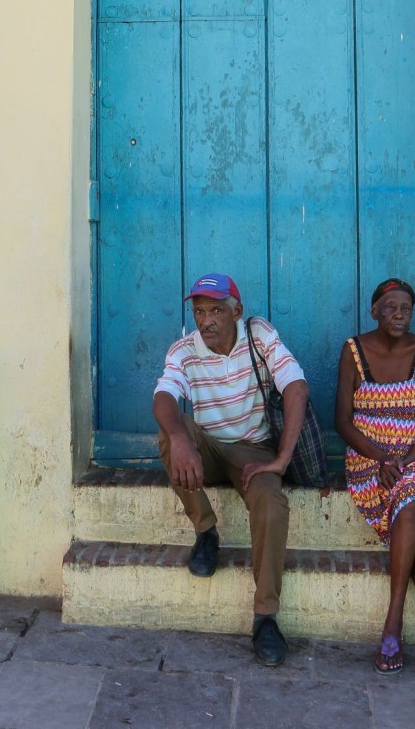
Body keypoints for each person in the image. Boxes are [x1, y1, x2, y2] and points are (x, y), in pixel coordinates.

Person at [153, 273, 309, 667]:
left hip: (253, 453)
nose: (206, 321)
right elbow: (165, 395)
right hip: (207, 448)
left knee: (271, 503)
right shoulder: (184, 350)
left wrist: (281, 460)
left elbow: (296, 386)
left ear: (236, 311)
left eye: (216, 311)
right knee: (170, 433)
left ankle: (266, 618)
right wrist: (181, 437)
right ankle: (206, 531)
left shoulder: (259, 335)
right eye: (199, 311)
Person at [335, 277, 415, 684]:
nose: (399, 314)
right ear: (375, 312)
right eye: (390, 307)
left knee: (410, 504)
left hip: (414, 457)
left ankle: (393, 627)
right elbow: (342, 421)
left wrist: (406, 457)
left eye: (406, 307)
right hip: (368, 460)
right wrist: (380, 456)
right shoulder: (353, 351)